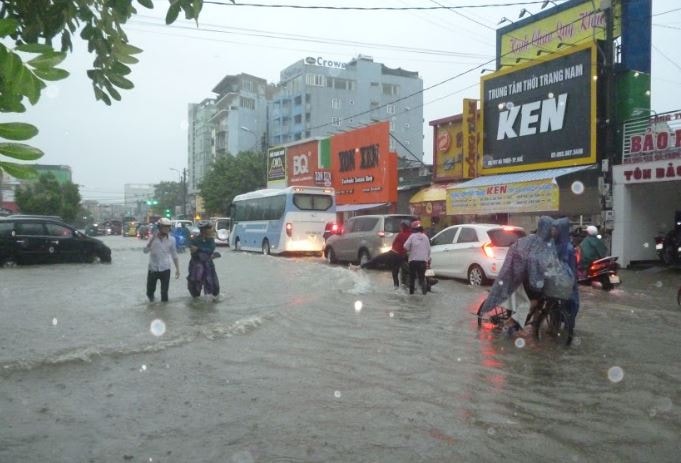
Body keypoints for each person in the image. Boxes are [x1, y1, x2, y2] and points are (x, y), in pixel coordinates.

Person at [143, 217, 180, 303]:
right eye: (164, 227)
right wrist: (151, 241)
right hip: (153, 269)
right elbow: (145, 251)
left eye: (168, 227)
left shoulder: (172, 240)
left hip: (165, 269)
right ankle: (152, 305)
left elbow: (174, 255)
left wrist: (177, 269)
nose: (166, 229)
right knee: (150, 292)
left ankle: (164, 311)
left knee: (164, 293)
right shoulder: (152, 238)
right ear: (159, 227)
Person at [187, 220, 220, 301]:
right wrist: (200, 251)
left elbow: (210, 249)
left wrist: (199, 249)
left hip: (208, 265)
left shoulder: (211, 240)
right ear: (204, 230)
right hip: (196, 265)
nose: (211, 230)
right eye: (210, 228)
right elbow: (193, 251)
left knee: (214, 287)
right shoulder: (195, 240)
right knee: (195, 286)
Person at [403, 220, 431, 295]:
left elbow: (405, 246)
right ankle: (424, 292)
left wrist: (410, 250)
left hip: (413, 261)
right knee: (422, 278)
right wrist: (427, 259)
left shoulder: (412, 236)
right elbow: (429, 250)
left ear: (413, 229)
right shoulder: (425, 237)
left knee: (412, 279)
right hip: (423, 262)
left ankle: (411, 294)